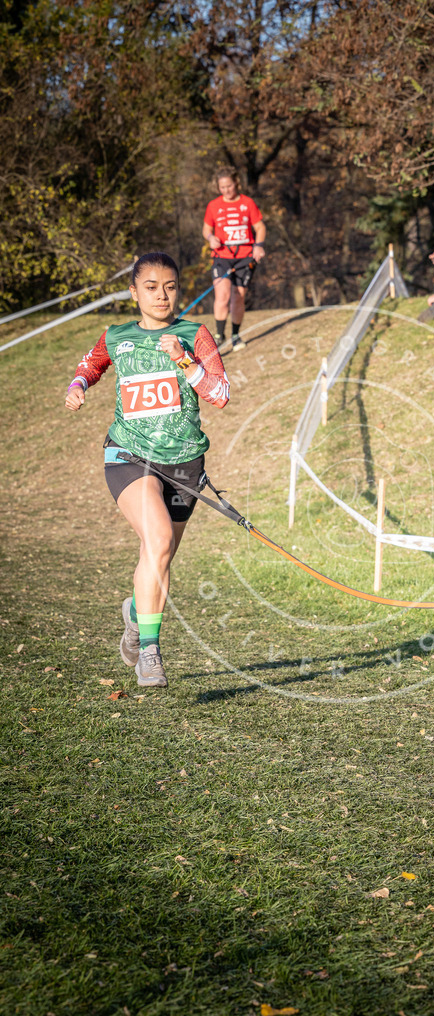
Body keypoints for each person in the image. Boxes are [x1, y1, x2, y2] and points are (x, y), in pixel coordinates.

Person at [65, 252, 231, 689]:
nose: (162, 295)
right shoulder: (116, 335)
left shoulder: (194, 334)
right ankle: (150, 652)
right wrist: (78, 386)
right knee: (157, 539)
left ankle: (137, 615)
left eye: (170, 287)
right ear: (134, 292)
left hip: (184, 463)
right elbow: (91, 364)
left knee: (159, 556)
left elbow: (220, 393)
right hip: (129, 455)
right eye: (152, 287)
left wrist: (185, 361)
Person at [202, 169, 266, 351]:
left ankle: (236, 336)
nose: (226, 190)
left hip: (244, 257)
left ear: (236, 183)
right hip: (222, 257)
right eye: (222, 187)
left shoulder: (247, 203)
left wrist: (259, 245)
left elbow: (260, 227)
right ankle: (219, 336)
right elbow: (206, 229)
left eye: (229, 186)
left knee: (238, 297)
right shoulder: (213, 205)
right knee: (222, 295)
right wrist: (210, 238)